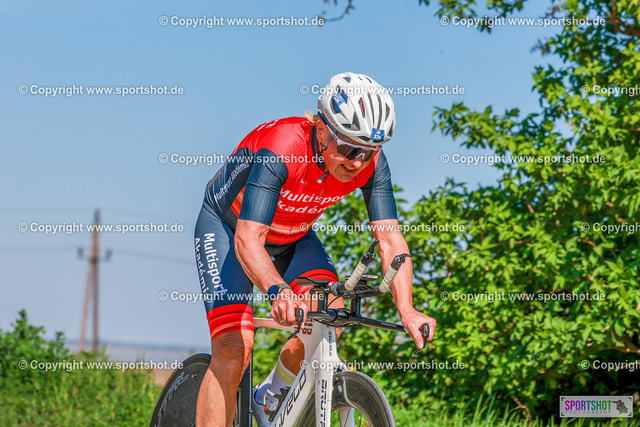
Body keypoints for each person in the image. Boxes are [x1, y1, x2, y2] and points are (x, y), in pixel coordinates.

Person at [193, 72, 437, 426]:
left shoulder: (371, 164)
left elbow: (390, 240)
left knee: (331, 316)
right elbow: (248, 237)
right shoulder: (282, 148)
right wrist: (278, 291)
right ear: (321, 130)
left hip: (294, 235)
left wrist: (408, 310)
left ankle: (269, 396)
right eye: (350, 149)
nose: (357, 162)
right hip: (229, 228)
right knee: (233, 350)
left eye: (369, 151)